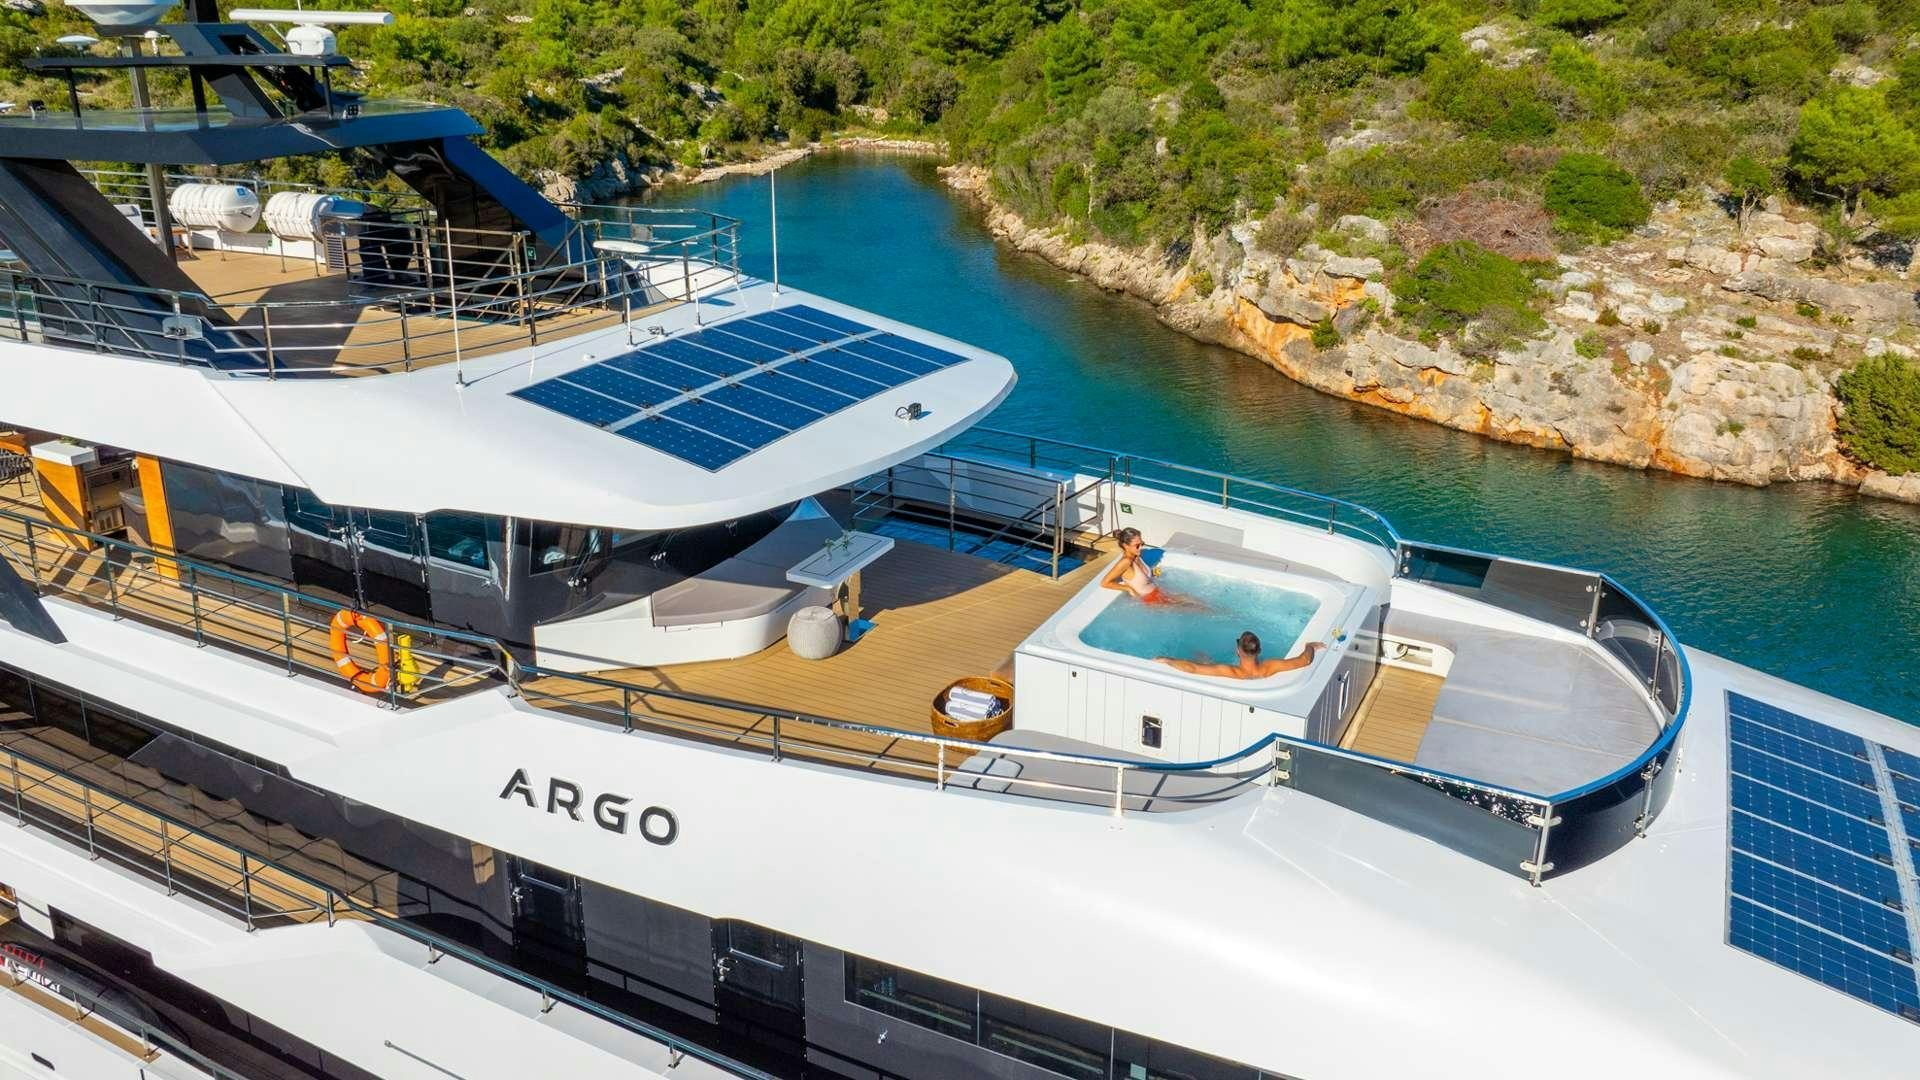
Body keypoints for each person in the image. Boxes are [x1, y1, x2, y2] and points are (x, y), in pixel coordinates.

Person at [1158, 631, 1325, 679]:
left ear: (1238, 651)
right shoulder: (1270, 667)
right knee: (1208, 661)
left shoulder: (1230, 672)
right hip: (1259, 673)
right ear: (1259, 651)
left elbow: (1192, 669)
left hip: (1233, 673)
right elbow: (1305, 659)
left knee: (1206, 662)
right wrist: (1309, 646)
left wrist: (1168, 660)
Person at [1101, 527, 1172, 604]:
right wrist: (1128, 588)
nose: (1141, 547)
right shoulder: (1126, 562)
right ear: (1125, 545)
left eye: (1142, 544)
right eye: (1137, 545)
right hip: (1150, 601)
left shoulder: (1137, 556)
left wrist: (1153, 574)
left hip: (1158, 594)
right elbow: (1105, 583)